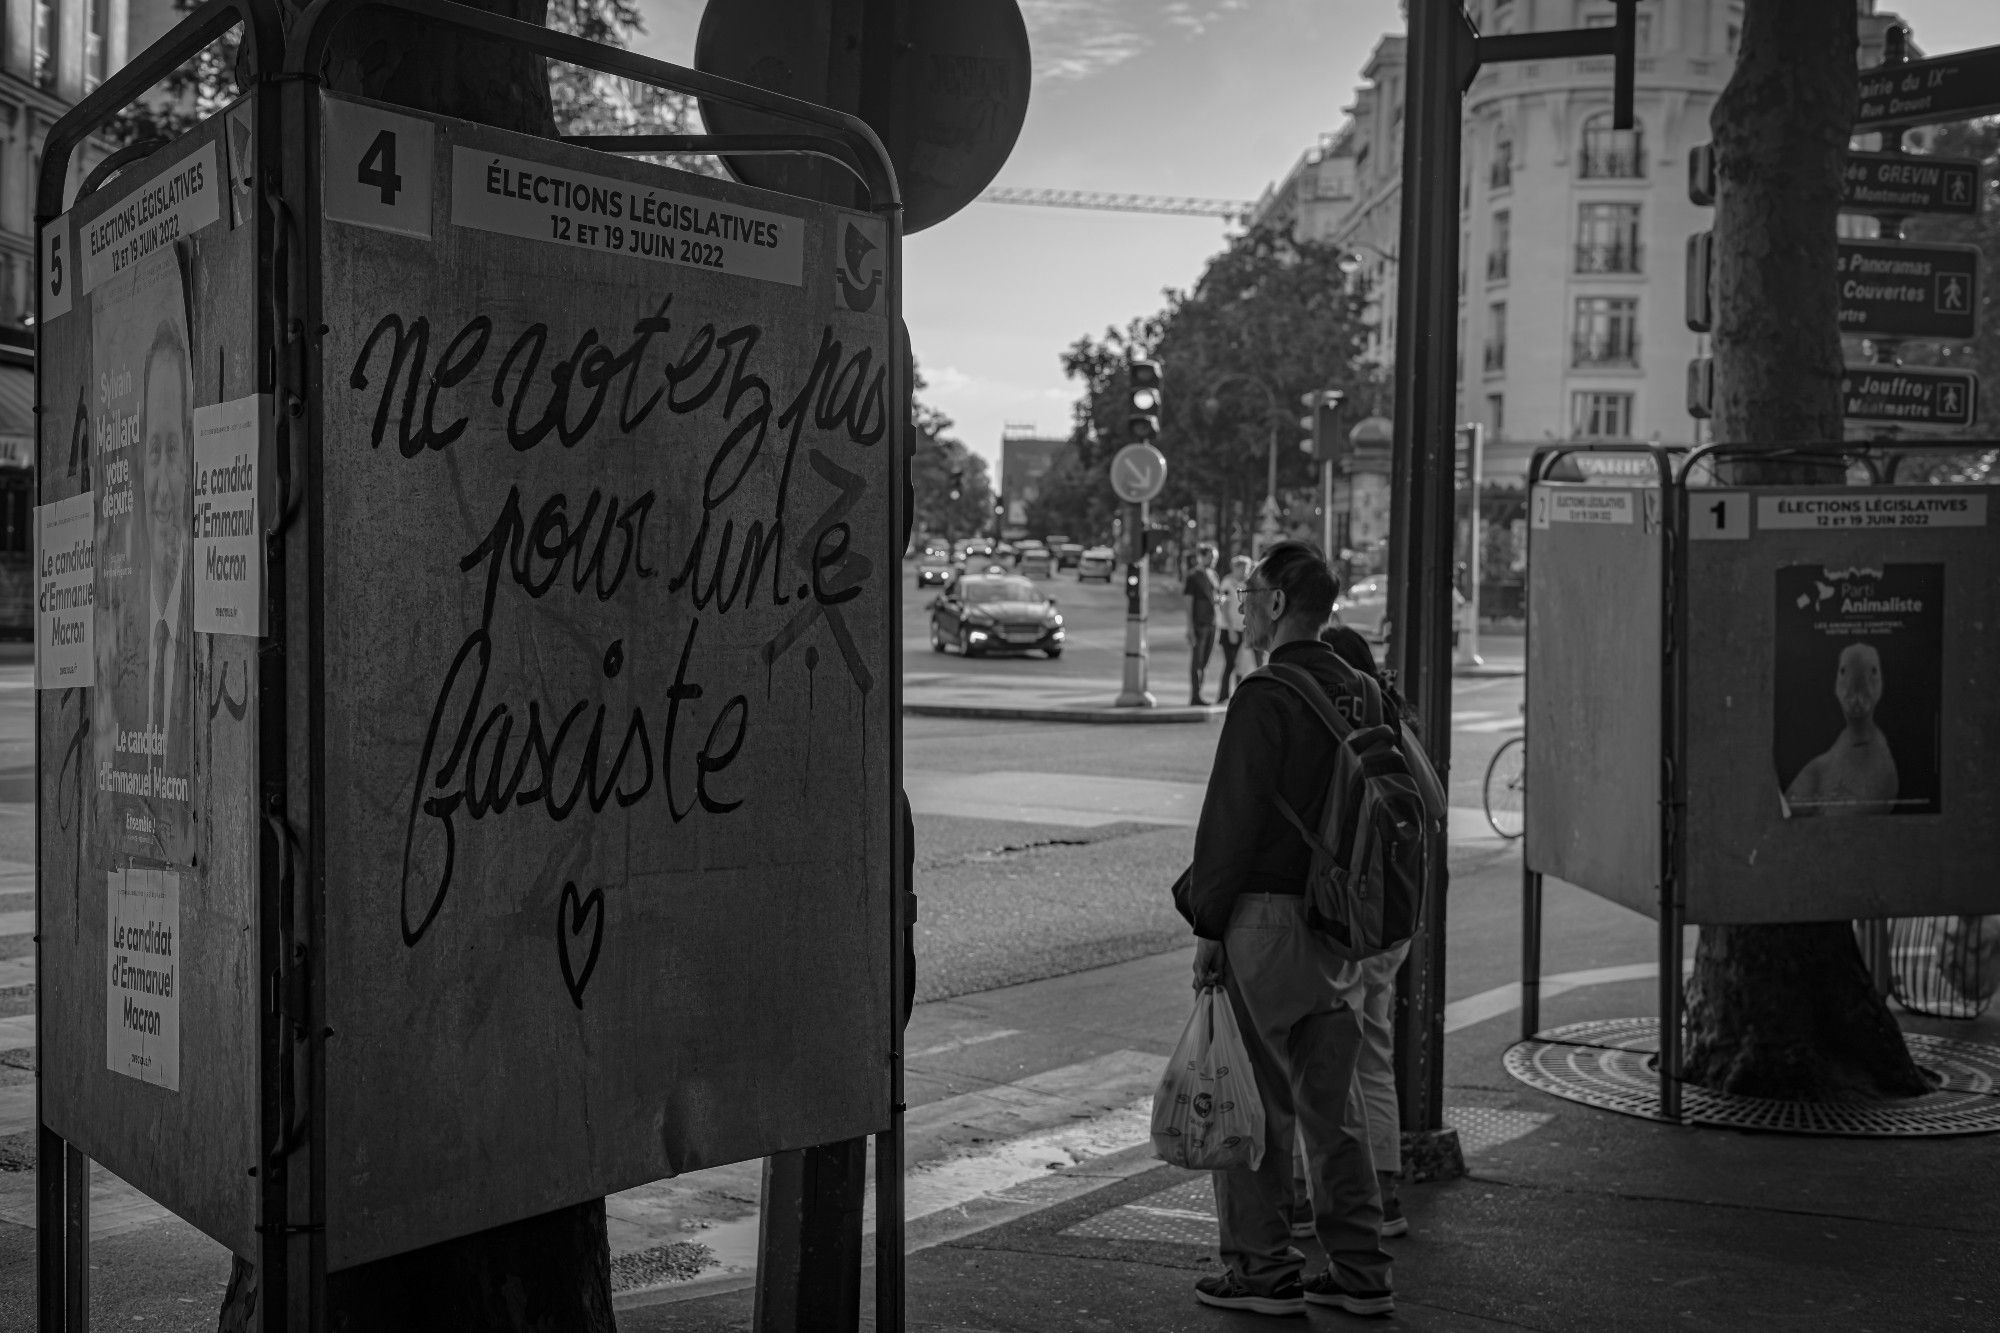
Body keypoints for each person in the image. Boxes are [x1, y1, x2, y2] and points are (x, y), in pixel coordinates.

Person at [1177, 540, 1393, 1318]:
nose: (1241, 604)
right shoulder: (1365, 691)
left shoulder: (1265, 695)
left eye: (1249, 593)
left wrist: (1208, 922)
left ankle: (1263, 1270)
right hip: (1341, 927)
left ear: (1274, 605)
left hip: (1265, 924)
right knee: (1333, 1109)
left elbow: (1229, 822)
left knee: (1253, 1103)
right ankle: (1363, 1269)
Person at [1289, 625, 1412, 1241]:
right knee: (1373, 1051)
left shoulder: (1334, 723)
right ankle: (1385, 1196)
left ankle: (1317, 1200)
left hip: (1346, 911)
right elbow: (1433, 805)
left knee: (1320, 1053)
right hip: (1392, 910)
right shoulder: (1391, 722)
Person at [1783, 641, 1898, 817]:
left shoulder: (1883, 760)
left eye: (1873, 672)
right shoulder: (1817, 770)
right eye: (1844, 672)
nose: (1857, 693)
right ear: (1836, 682)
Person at [1183, 543, 1220, 705]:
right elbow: (1188, 602)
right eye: (1211, 557)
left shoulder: (1213, 575)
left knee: (1205, 661)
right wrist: (1189, 626)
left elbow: (1215, 597)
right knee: (1197, 660)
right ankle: (1195, 696)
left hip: (1212, 622)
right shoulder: (1193, 576)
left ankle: (1200, 692)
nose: (1213, 561)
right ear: (1202, 556)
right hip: (1199, 623)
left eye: (1215, 558)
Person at [1215, 554, 1251, 702]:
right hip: (1229, 629)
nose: (1245, 571)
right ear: (1235, 568)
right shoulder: (1227, 583)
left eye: (1247, 568)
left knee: (1241, 665)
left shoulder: (1248, 585)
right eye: (1242, 568)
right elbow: (1223, 605)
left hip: (1243, 629)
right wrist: (1230, 629)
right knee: (1230, 663)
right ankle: (1223, 695)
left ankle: (1239, 696)